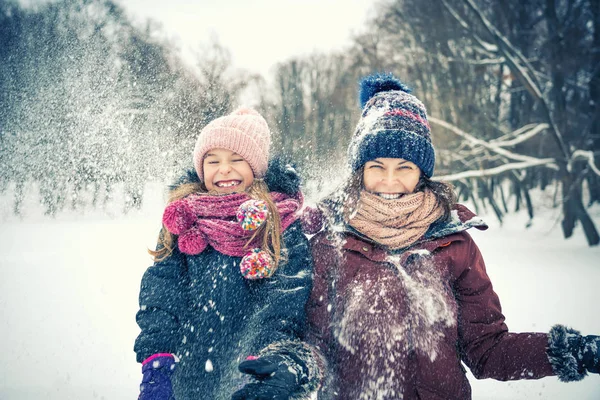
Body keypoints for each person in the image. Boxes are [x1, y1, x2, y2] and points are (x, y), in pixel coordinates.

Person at [303, 73, 600, 399]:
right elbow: (312, 344)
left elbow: (487, 350)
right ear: (359, 170)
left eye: (404, 167)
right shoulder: (327, 241)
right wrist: (293, 366)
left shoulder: (454, 245)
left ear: (422, 173)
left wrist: (570, 351)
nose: (390, 180)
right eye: (377, 166)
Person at [134, 108, 322, 400]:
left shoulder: (280, 222)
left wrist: (267, 356)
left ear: (256, 168)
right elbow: (161, 292)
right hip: (189, 376)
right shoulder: (184, 219)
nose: (224, 169)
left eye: (237, 160)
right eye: (213, 160)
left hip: (252, 377)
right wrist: (157, 359)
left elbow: (286, 299)